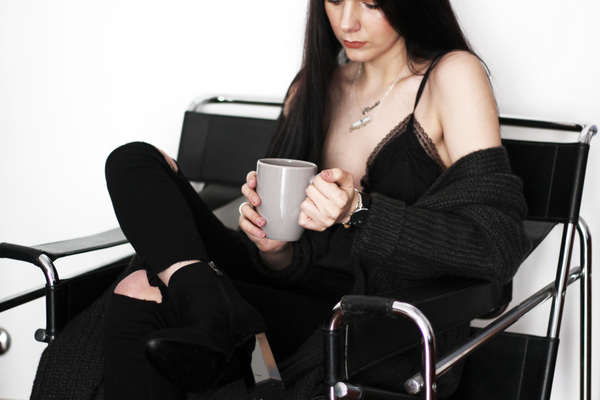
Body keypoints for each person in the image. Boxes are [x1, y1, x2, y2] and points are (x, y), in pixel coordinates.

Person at [94, 0, 532, 399]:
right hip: (289, 295)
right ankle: (205, 302)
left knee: (142, 289)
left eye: (371, 4)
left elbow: (499, 246)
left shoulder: (450, 76)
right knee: (135, 160)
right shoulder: (312, 85)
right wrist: (273, 247)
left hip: (368, 324)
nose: (347, 22)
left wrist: (360, 212)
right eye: (335, 0)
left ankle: (211, 311)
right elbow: (286, 263)